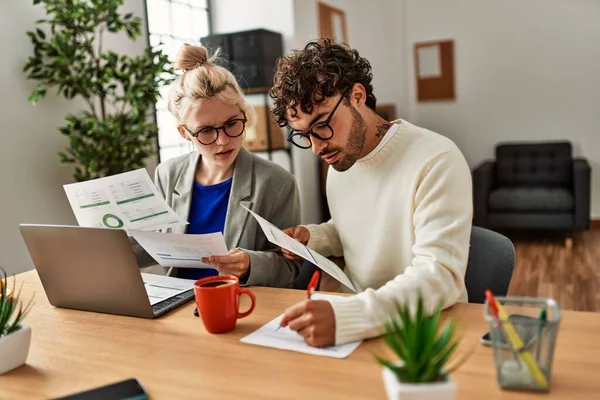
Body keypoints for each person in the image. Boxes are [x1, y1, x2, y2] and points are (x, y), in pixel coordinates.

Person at [269, 39, 473, 346]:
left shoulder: (436, 160)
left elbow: (439, 276)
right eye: (304, 135)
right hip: (360, 326)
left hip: (426, 330)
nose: (316, 146)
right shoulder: (339, 162)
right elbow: (355, 229)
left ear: (357, 95)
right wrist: (315, 237)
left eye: (322, 124)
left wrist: (351, 316)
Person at [134, 43, 302, 288]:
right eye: (206, 131)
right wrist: (104, 240)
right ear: (185, 133)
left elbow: (291, 269)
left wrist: (250, 264)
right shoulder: (167, 174)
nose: (223, 141)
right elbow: (151, 247)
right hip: (177, 302)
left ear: (245, 114)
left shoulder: (277, 183)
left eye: (232, 123)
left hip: (240, 305)